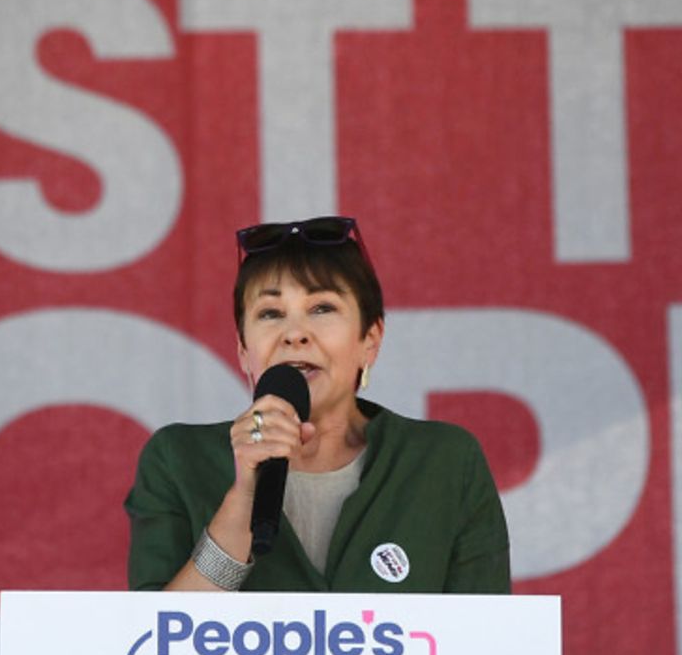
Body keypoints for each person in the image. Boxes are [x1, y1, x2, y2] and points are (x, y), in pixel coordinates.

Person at [125, 216, 512, 592]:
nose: (295, 334)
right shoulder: (177, 459)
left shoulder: (444, 461)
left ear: (370, 340)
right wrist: (244, 495)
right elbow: (154, 646)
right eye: (271, 313)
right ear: (244, 350)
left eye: (322, 308)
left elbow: (489, 641)